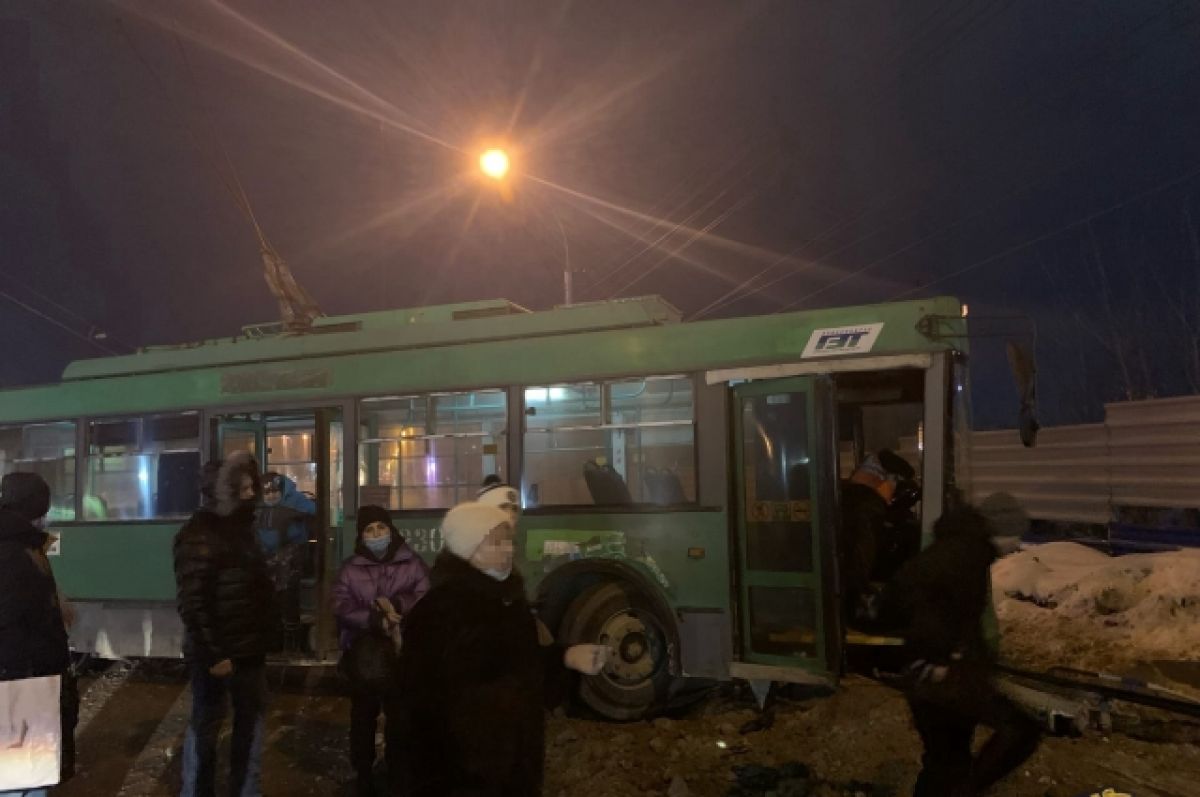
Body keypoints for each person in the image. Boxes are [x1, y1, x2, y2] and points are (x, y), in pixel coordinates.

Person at [399, 502, 608, 797]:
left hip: (514, 767)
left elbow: (523, 666)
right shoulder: (438, 612)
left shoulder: (510, 603)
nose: (508, 549)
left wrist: (567, 658)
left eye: (509, 541)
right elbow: (413, 703)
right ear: (470, 550)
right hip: (461, 775)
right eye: (496, 543)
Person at [879, 504, 1042, 797]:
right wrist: (944, 656)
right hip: (943, 674)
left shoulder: (939, 553)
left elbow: (892, 606)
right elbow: (951, 615)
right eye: (1015, 535)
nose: (1015, 544)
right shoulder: (968, 555)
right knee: (1020, 730)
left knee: (945, 759)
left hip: (924, 672)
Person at [174, 452, 277, 797]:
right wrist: (215, 653)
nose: (252, 494)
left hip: (249, 649)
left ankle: (246, 790)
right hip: (216, 654)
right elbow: (194, 602)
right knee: (207, 723)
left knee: (251, 723)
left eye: (251, 487)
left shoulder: (242, 530)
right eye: (242, 489)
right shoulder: (200, 534)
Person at [332, 505, 431, 797]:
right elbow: (340, 605)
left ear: (391, 530)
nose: (376, 534)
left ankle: (397, 772)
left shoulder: (412, 563)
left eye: (381, 528)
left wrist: (398, 605)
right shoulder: (350, 569)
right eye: (369, 530)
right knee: (363, 718)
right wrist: (374, 619)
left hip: (402, 655)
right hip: (365, 656)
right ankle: (363, 773)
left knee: (400, 718)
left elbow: (425, 594)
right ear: (361, 536)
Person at [0, 473, 73, 797]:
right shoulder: (14, 550)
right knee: (23, 780)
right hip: (23, 682)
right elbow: (11, 618)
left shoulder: (22, 544)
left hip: (24, 677)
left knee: (24, 777)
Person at [840, 448, 915, 623]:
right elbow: (860, 558)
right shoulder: (867, 510)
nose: (893, 494)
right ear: (883, 481)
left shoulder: (847, 502)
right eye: (894, 484)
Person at [254, 472, 316, 653]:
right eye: (267, 493)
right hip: (265, 557)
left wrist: (294, 511)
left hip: (290, 556)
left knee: (288, 596)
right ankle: (275, 637)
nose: (271, 496)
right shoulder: (257, 508)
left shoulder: (294, 500)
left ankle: (291, 638)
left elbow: (312, 509)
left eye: (275, 491)